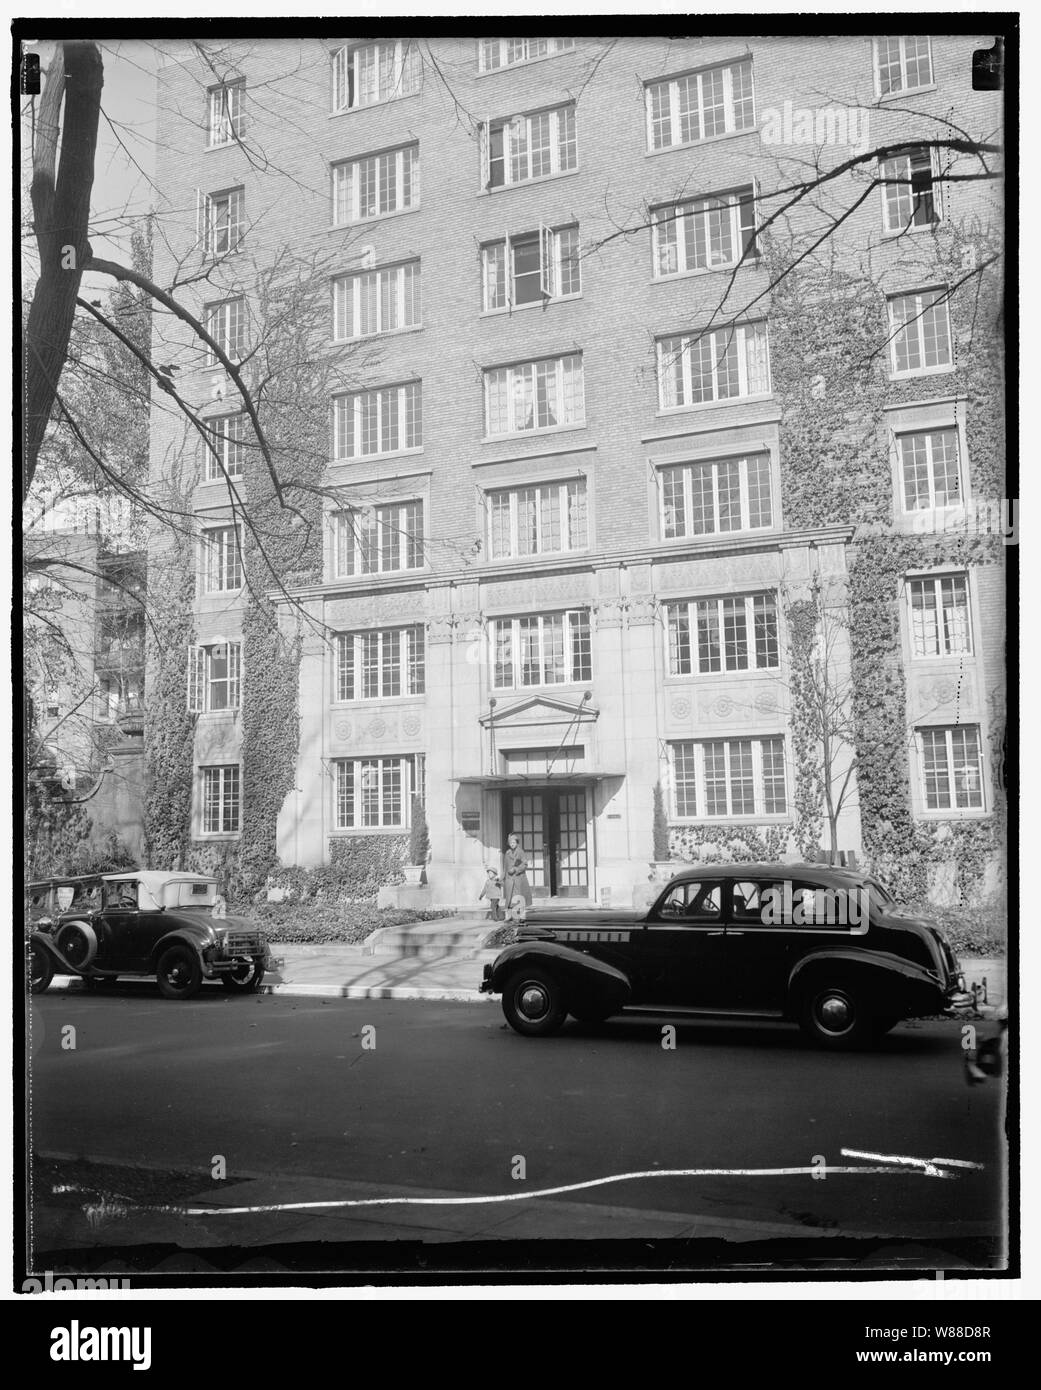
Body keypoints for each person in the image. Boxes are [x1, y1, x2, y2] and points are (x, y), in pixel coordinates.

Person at [502, 833, 533, 920]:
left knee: (518, 897)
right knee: (509, 898)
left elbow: (525, 864)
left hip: (518, 878)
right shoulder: (507, 853)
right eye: (511, 843)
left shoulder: (520, 852)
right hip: (509, 878)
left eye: (514, 843)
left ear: (517, 843)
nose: (512, 844)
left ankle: (520, 916)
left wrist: (516, 869)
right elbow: (505, 867)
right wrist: (502, 878)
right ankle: (509, 916)